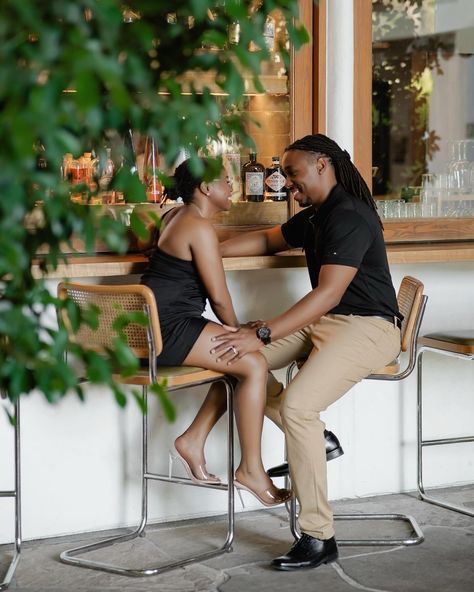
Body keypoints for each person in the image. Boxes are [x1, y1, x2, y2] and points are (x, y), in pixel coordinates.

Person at [212, 134, 402, 570]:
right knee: (234, 360)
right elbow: (266, 241)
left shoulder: (350, 215)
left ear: (322, 165)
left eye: (293, 174)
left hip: (370, 327)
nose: (286, 183)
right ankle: (319, 439)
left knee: (297, 406)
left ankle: (318, 536)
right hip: (327, 322)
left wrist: (263, 334)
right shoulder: (317, 215)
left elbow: (329, 294)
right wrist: (206, 252)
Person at [140, 157, 291, 507]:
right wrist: (241, 335)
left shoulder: (174, 216)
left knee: (240, 362)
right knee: (252, 364)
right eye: (225, 181)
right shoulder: (198, 226)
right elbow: (219, 299)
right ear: (206, 188)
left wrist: (240, 339)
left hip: (154, 327)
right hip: (169, 329)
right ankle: (251, 470)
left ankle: (193, 440)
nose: (232, 186)